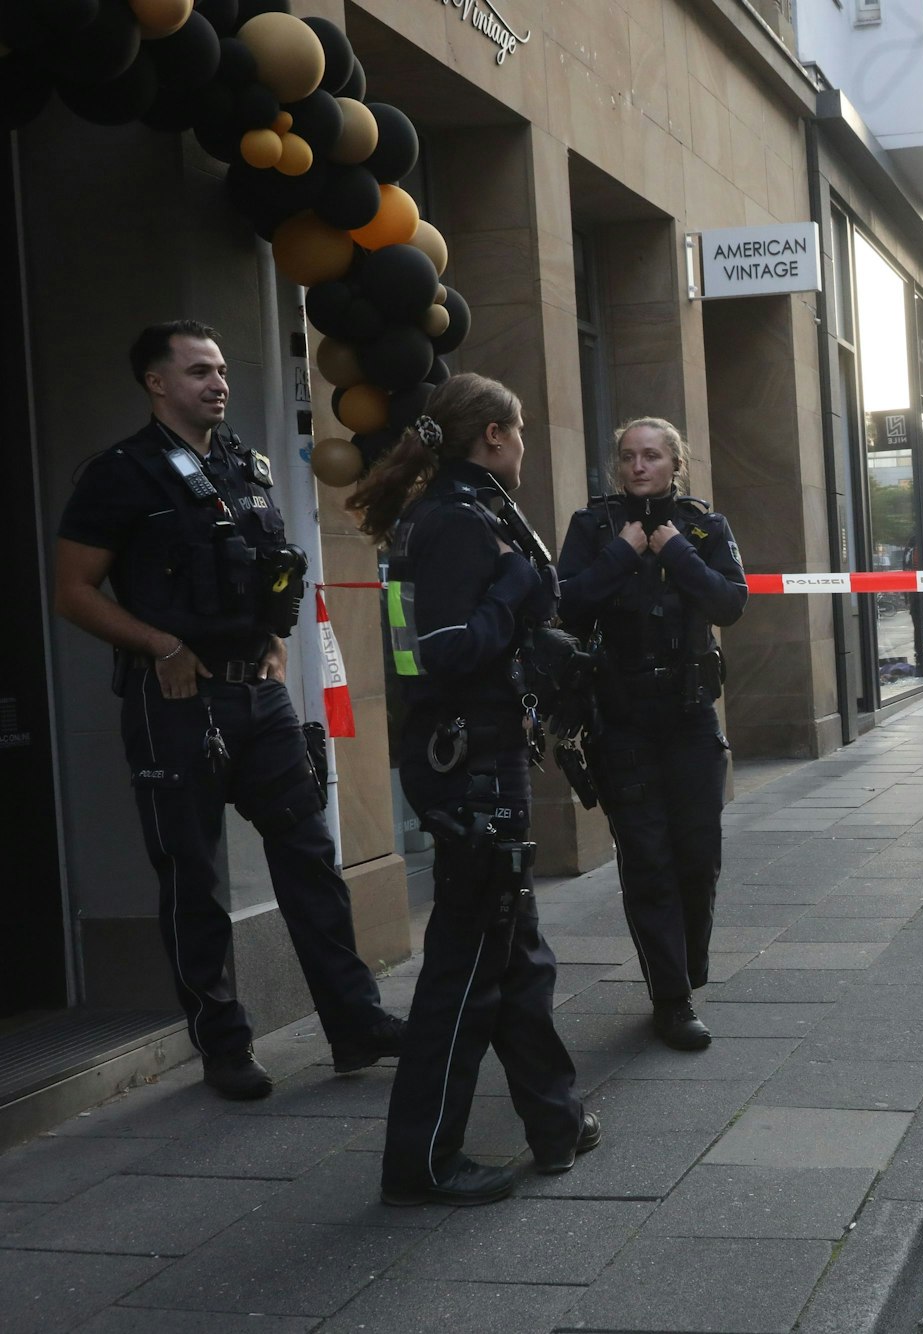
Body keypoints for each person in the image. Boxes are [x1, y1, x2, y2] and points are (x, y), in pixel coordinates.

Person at [53, 320, 404, 1102]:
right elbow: (72, 591)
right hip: (174, 698)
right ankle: (223, 1046)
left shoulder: (246, 463)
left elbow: (263, 570)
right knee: (193, 876)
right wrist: (160, 645)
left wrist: (272, 642)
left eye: (220, 369)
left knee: (309, 857)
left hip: (257, 693)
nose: (219, 382)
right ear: (156, 383)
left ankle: (356, 1024)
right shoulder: (120, 474)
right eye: (199, 371)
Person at [347, 373, 594, 1207]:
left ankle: (556, 1122)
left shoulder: (468, 505)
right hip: (469, 763)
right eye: (521, 429)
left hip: (480, 758)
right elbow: (444, 649)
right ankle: (420, 1164)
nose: (525, 442)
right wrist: (515, 592)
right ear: (494, 433)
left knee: (515, 956)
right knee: (466, 972)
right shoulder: (456, 519)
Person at [558, 418, 747, 1052]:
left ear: (675, 464)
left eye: (652, 456)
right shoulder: (594, 528)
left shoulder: (701, 527)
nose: (639, 467)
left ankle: (688, 966)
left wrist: (674, 551)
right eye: (628, 457)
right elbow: (567, 605)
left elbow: (729, 603)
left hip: (689, 716)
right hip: (620, 721)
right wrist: (624, 551)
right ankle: (672, 998)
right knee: (647, 861)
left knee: (698, 856)